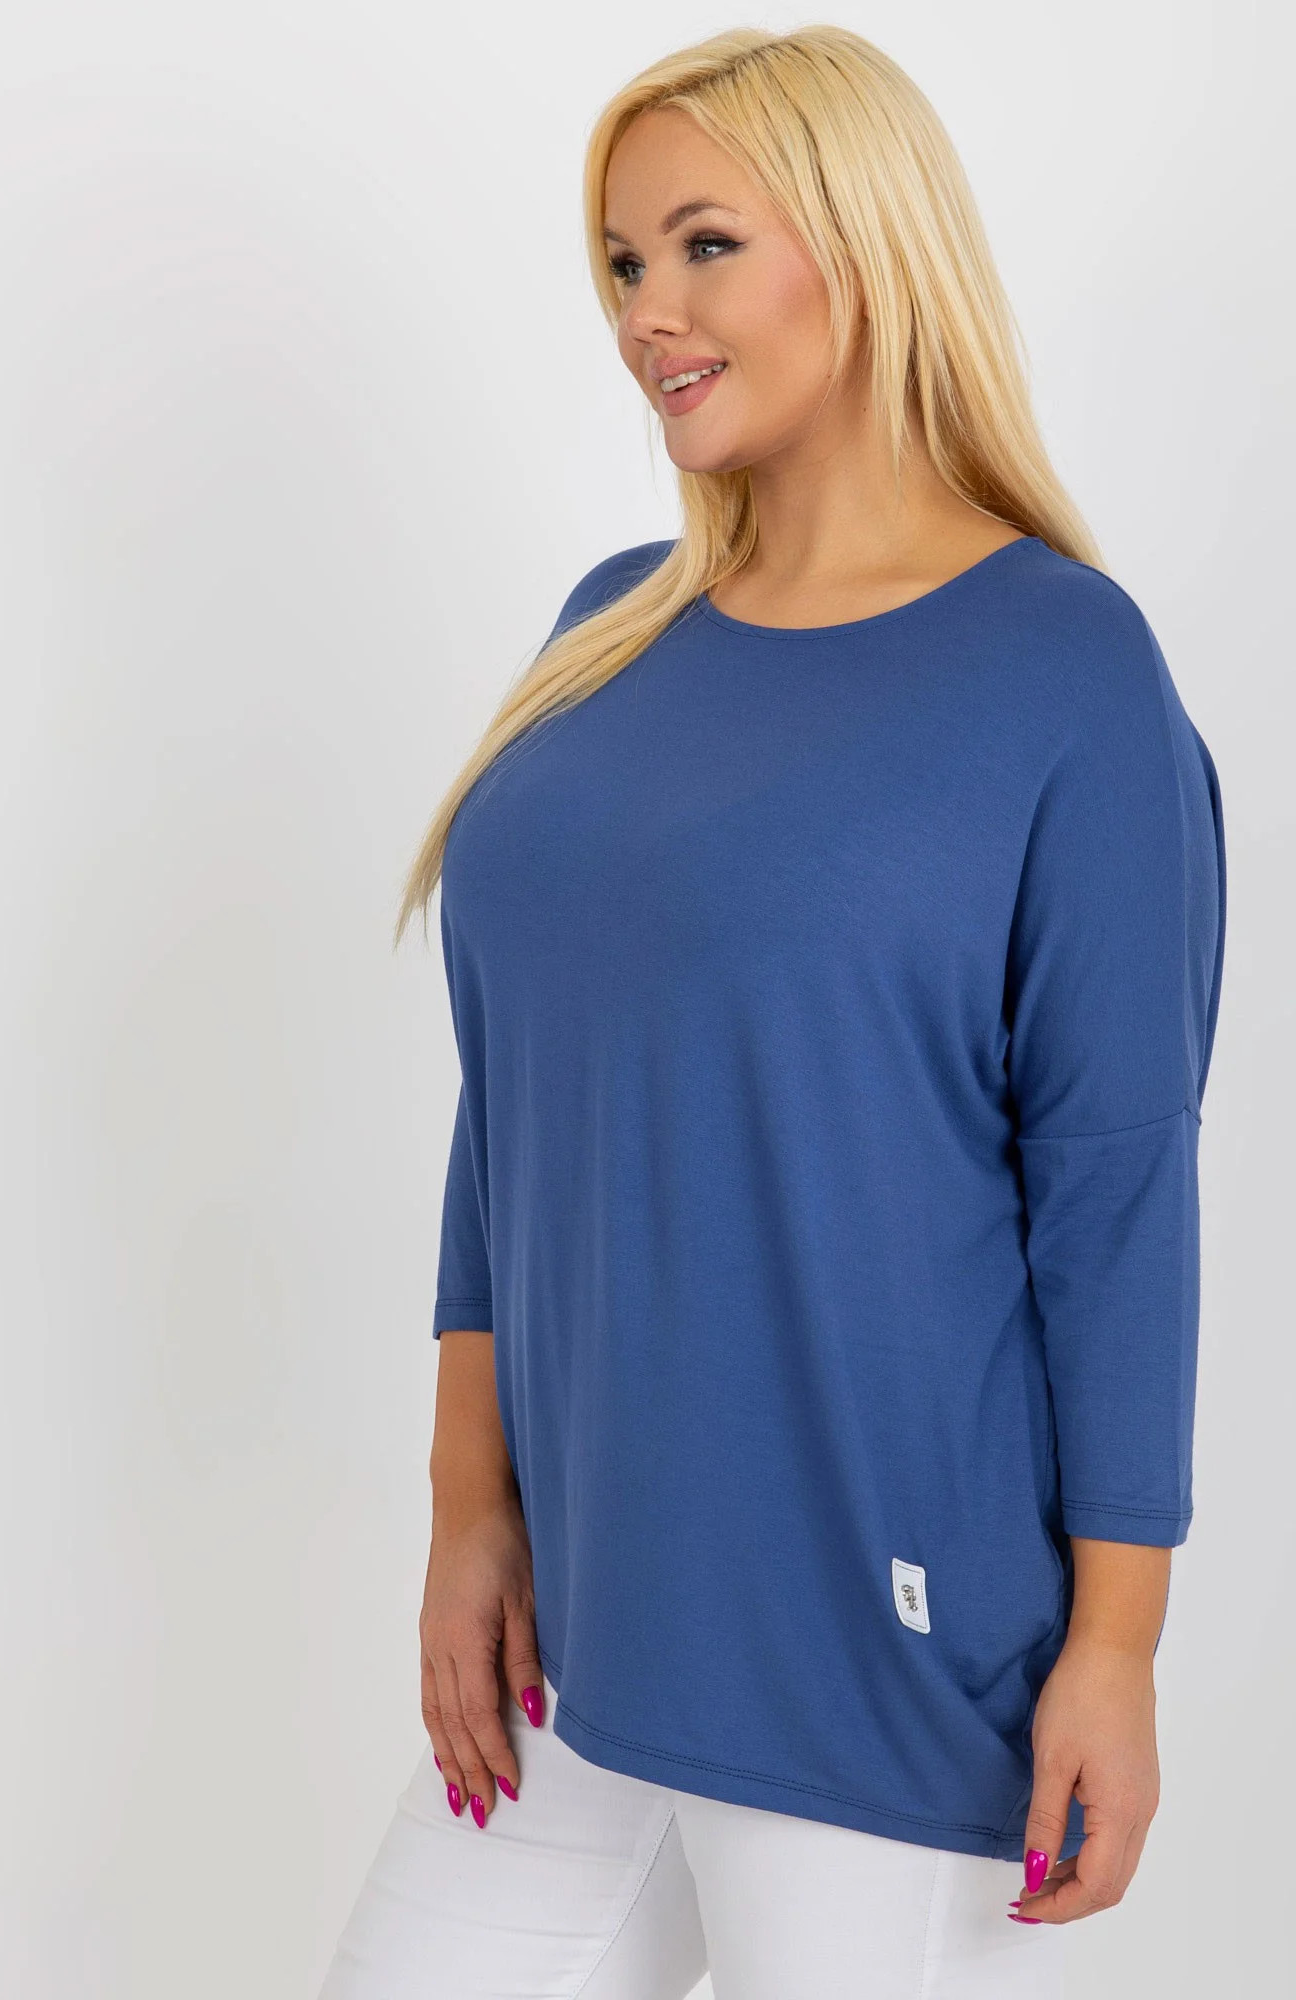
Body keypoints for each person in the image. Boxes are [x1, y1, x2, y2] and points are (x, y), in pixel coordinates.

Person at [318, 23, 1227, 1998]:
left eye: (705, 244)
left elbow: (1114, 1192)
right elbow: (518, 1104)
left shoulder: (1066, 674)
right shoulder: (605, 631)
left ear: (868, 246)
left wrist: (1119, 1645)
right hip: (585, 1638)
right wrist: (470, 1504)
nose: (647, 310)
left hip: (878, 1657)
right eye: (622, 263)